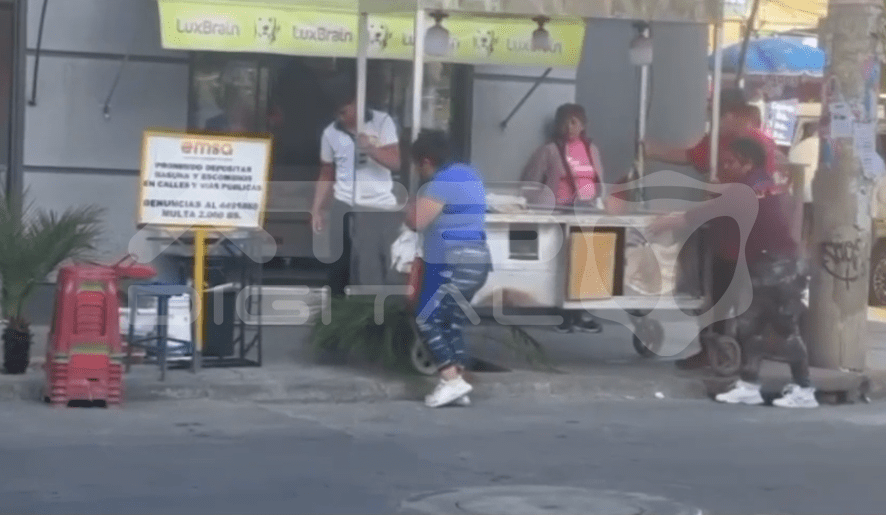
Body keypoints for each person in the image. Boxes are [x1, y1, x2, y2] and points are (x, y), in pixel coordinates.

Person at [649, 137, 817, 408]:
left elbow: (705, 213)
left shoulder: (747, 189)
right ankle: (750, 384)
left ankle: (804, 389)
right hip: (767, 265)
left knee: (785, 330)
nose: (724, 167)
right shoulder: (763, 182)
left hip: (777, 267)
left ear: (747, 163)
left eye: (730, 162)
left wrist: (667, 221)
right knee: (750, 326)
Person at [406, 130, 492, 408]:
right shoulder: (470, 175)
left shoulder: (441, 183)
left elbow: (416, 221)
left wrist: (409, 205)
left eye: (418, 165)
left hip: (451, 261)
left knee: (426, 317)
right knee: (451, 321)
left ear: (427, 161)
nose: (418, 171)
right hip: (477, 260)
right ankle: (458, 385)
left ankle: (450, 380)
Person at [310, 83, 403, 296]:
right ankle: (337, 307)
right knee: (338, 264)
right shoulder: (330, 132)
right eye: (337, 113)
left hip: (377, 205)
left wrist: (371, 149)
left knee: (372, 266)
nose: (341, 117)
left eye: (344, 111)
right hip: (343, 203)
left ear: (355, 104)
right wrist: (317, 209)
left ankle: (373, 308)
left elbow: (396, 162)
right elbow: (326, 173)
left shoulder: (382, 122)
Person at [521, 103, 604, 334]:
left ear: (583, 125)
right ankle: (564, 314)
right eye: (565, 122)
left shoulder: (591, 149)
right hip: (559, 211)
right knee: (564, 263)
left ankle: (580, 312)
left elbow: (598, 178)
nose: (570, 127)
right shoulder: (549, 150)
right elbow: (530, 181)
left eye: (574, 122)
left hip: (586, 210)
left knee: (585, 263)